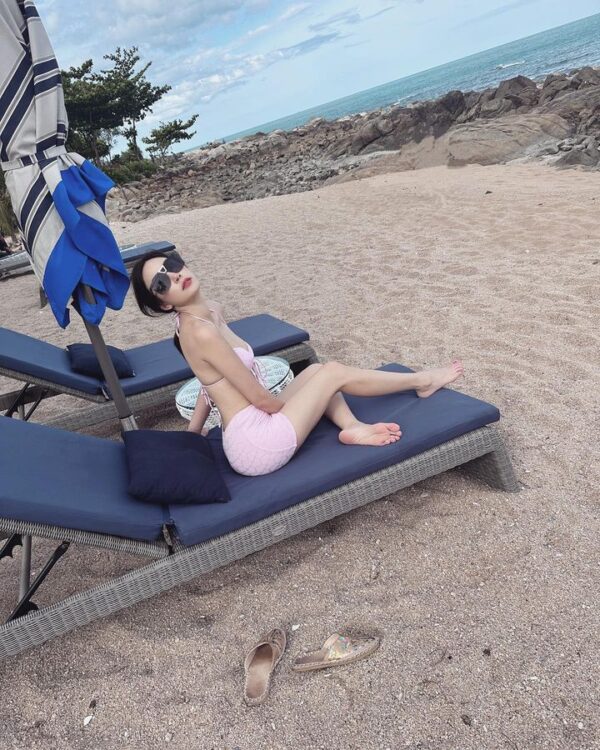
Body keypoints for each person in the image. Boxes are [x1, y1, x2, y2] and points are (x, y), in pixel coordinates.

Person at [131, 250, 464, 477]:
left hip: (251, 423)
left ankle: (351, 426)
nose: (174, 276)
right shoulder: (199, 332)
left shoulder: (208, 313)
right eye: (162, 283)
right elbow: (261, 399)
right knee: (331, 374)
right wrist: (300, 405)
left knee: (317, 371)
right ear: (163, 305)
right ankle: (422, 381)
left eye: (172, 265)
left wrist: (194, 434)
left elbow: (208, 385)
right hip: (256, 445)